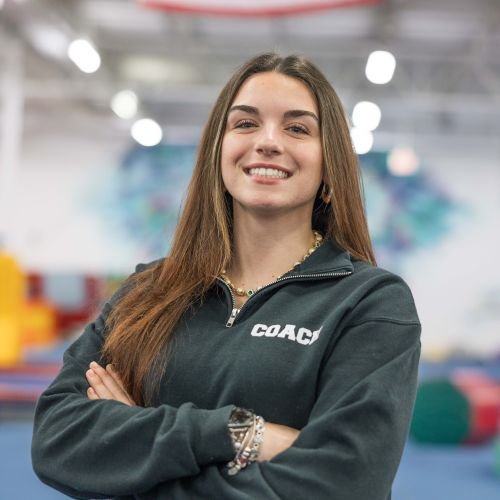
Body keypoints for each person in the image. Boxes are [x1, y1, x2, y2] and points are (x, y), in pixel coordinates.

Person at [31, 53, 421, 500]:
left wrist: (134, 462)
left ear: (330, 165)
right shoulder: (147, 294)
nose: (268, 142)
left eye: (297, 128)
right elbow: (57, 438)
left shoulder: (369, 302)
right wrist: (238, 432)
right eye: (246, 124)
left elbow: (344, 485)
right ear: (218, 151)